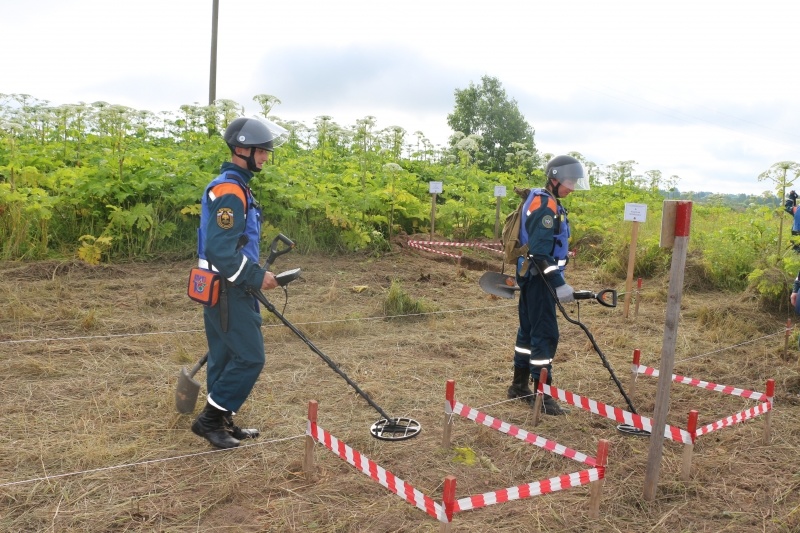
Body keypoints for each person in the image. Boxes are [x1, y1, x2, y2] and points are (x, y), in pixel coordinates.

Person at [191, 116, 286, 448]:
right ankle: (209, 420)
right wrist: (256, 276)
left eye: (266, 151)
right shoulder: (231, 190)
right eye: (261, 151)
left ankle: (222, 419)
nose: (265, 157)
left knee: (225, 355)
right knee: (249, 357)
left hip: (220, 286)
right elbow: (220, 249)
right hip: (228, 287)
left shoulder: (234, 185)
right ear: (241, 149)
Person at [507, 155, 589, 415]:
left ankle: (518, 386)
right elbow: (541, 253)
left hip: (532, 277)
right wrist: (559, 283)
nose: (573, 187)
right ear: (554, 178)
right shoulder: (545, 206)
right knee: (545, 335)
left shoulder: (546, 199)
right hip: (540, 279)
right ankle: (543, 396)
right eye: (569, 182)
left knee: (528, 333)